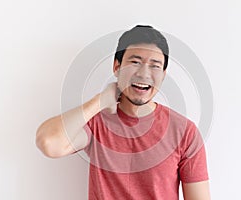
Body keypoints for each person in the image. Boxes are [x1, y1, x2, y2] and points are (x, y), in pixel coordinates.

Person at [36, 25, 211, 200]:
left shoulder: (185, 132)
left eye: (155, 66)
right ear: (117, 67)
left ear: (163, 74)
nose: (144, 74)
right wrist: (99, 101)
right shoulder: (96, 122)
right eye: (135, 62)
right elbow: (48, 143)